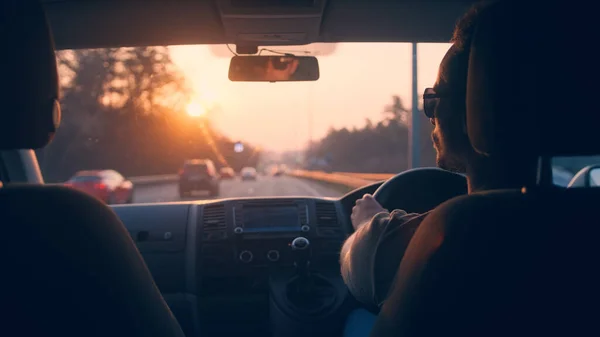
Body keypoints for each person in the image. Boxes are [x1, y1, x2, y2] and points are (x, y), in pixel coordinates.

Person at [340, 1, 538, 335]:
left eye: (434, 99)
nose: (430, 114)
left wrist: (369, 221)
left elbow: (363, 269)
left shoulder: (453, 232)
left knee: (356, 321)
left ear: (473, 110)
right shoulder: (584, 217)